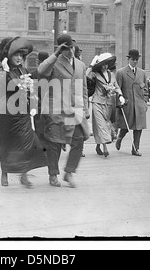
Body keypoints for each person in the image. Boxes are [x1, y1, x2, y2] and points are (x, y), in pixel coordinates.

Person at [0, 37, 48, 188]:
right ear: (8, 57)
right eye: (16, 55)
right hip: (7, 115)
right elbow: (2, 89)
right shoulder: (1, 71)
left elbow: (31, 88)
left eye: (21, 56)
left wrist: (33, 103)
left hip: (23, 114)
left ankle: (24, 174)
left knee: (27, 144)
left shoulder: (23, 70)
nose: (19, 58)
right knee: (6, 145)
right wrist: (6, 73)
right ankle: (4, 172)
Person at [38, 34, 90, 188]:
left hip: (75, 111)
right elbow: (41, 71)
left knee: (79, 140)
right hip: (56, 110)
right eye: (66, 48)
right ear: (60, 49)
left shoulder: (81, 65)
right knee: (54, 143)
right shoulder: (54, 63)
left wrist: (85, 109)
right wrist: (55, 54)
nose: (70, 51)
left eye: (71, 47)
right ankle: (53, 174)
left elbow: (84, 89)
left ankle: (69, 171)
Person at [87, 53, 125, 157]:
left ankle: (99, 145)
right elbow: (84, 76)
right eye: (103, 64)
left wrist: (120, 95)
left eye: (106, 64)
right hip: (97, 102)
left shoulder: (112, 74)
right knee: (100, 124)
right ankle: (105, 147)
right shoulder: (95, 74)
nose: (105, 66)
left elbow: (116, 86)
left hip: (108, 103)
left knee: (105, 124)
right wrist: (91, 65)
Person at [115, 49, 149, 156]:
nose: (135, 62)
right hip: (127, 104)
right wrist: (119, 101)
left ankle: (135, 149)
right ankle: (120, 137)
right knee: (126, 126)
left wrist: (145, 102)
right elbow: (117, 89)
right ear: (128, 59)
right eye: (133, 59)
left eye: (136, 60)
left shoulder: (142, 73)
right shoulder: (121, 72)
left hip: (139, 105)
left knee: (138, 127)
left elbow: (145, 89)